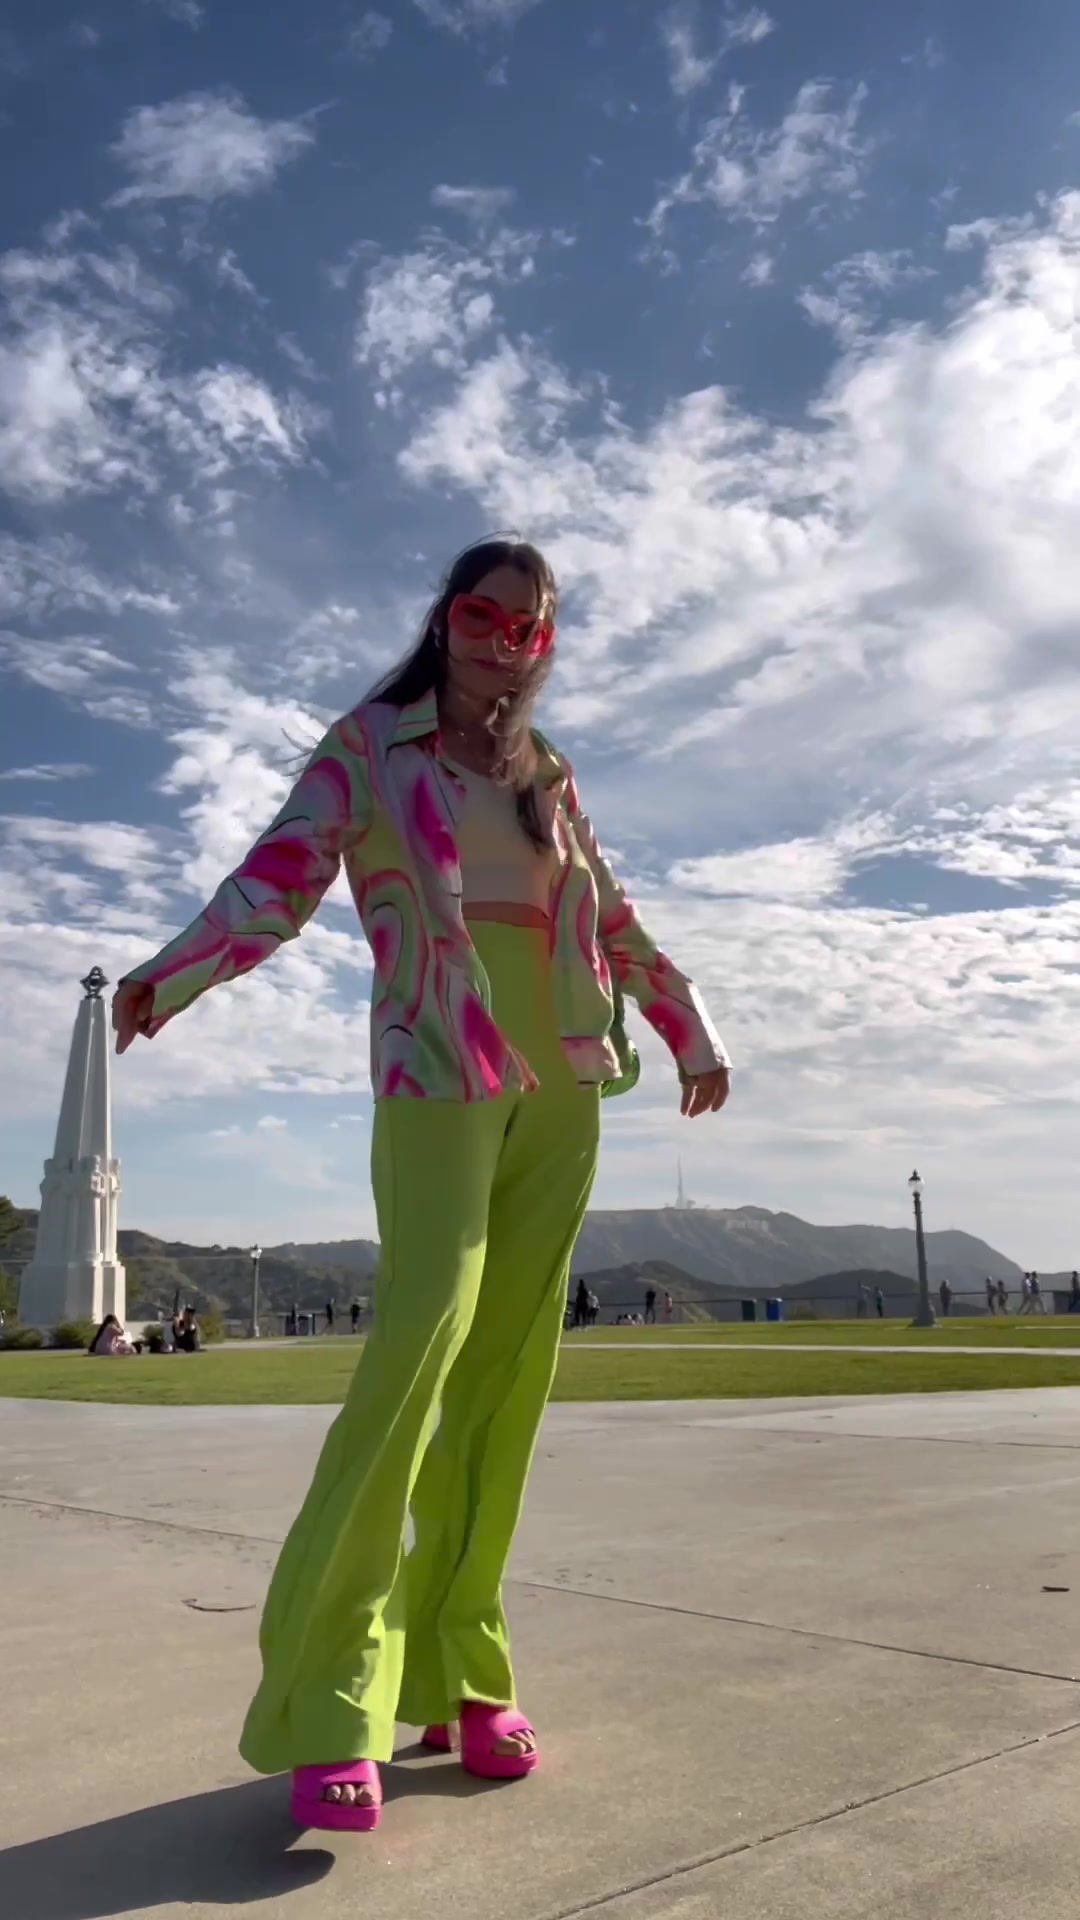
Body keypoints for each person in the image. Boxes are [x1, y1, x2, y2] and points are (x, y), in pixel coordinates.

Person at [110, 536, 731, 1836]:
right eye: (484, 615)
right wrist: (175, 969)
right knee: (415, 1354)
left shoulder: (546, 773)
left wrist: (688, 1024)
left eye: (531, 627)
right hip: (439, 1061)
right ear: (446, 618)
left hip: (563, 1078)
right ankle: (332, 1698)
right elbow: (279, 873)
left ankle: (465, 1672)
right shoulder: (372, 746)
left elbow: (612, 915)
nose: (506, 641)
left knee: (507, 1379)